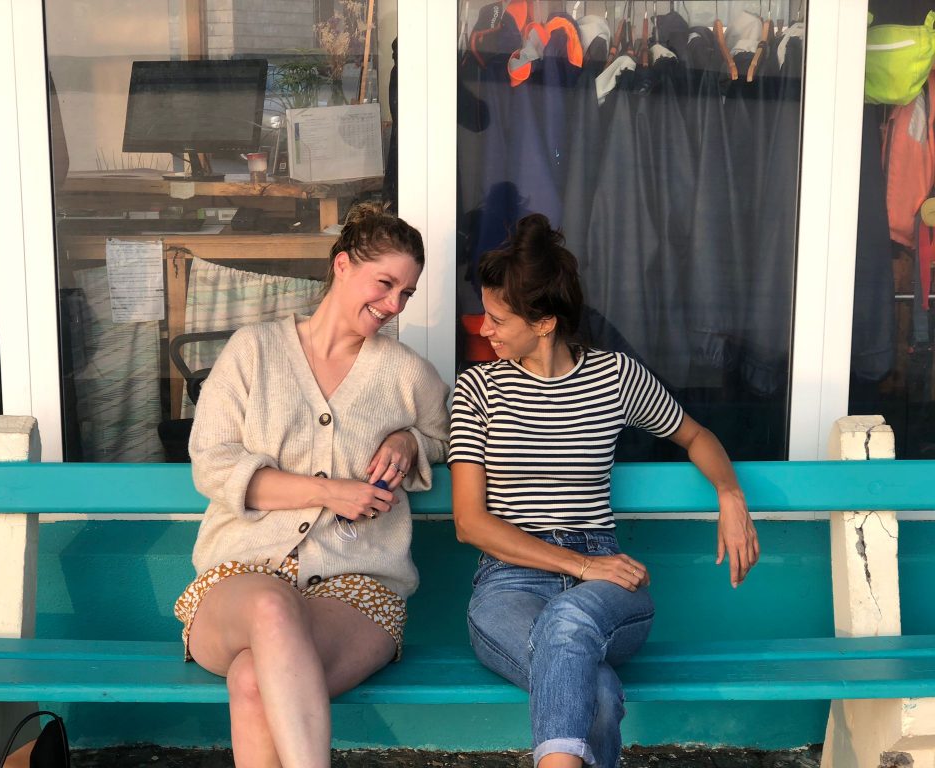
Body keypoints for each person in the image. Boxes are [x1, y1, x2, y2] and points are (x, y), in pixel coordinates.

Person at [449, 214, 759, 768]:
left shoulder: (614, 377)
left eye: (497, 319)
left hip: (606, 574)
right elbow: (471, 523)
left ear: (545, 322)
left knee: (570, 624)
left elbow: (695, 435)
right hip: (509, 581)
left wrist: (730, 495)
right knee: (595, 690)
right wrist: (578, 565)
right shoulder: (478, 389)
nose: (484, 329)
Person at [175, 203, 450, 768]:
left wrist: (409, 442)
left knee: (253, 679)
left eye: (407, 293)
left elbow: (445, 437)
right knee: (271, 606)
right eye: (385, 284)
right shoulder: (253, 351)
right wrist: (328, 492)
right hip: (239, 580)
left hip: (358, 591)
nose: (394, 305)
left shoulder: (407, 374)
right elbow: (213, 463)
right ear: (342, 265)